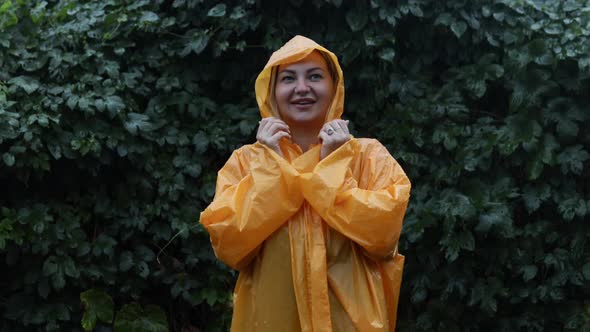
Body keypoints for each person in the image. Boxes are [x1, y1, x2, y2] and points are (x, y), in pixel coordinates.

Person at [200, 35, 411, 331]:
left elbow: (382, 237)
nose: (302, 88)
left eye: (314, 76)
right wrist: (272, 168)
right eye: (288, 78)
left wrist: (332, 164)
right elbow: (230, 244)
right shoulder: (248, 162)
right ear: (272, 92)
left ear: (333, 87)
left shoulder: (367, 155)